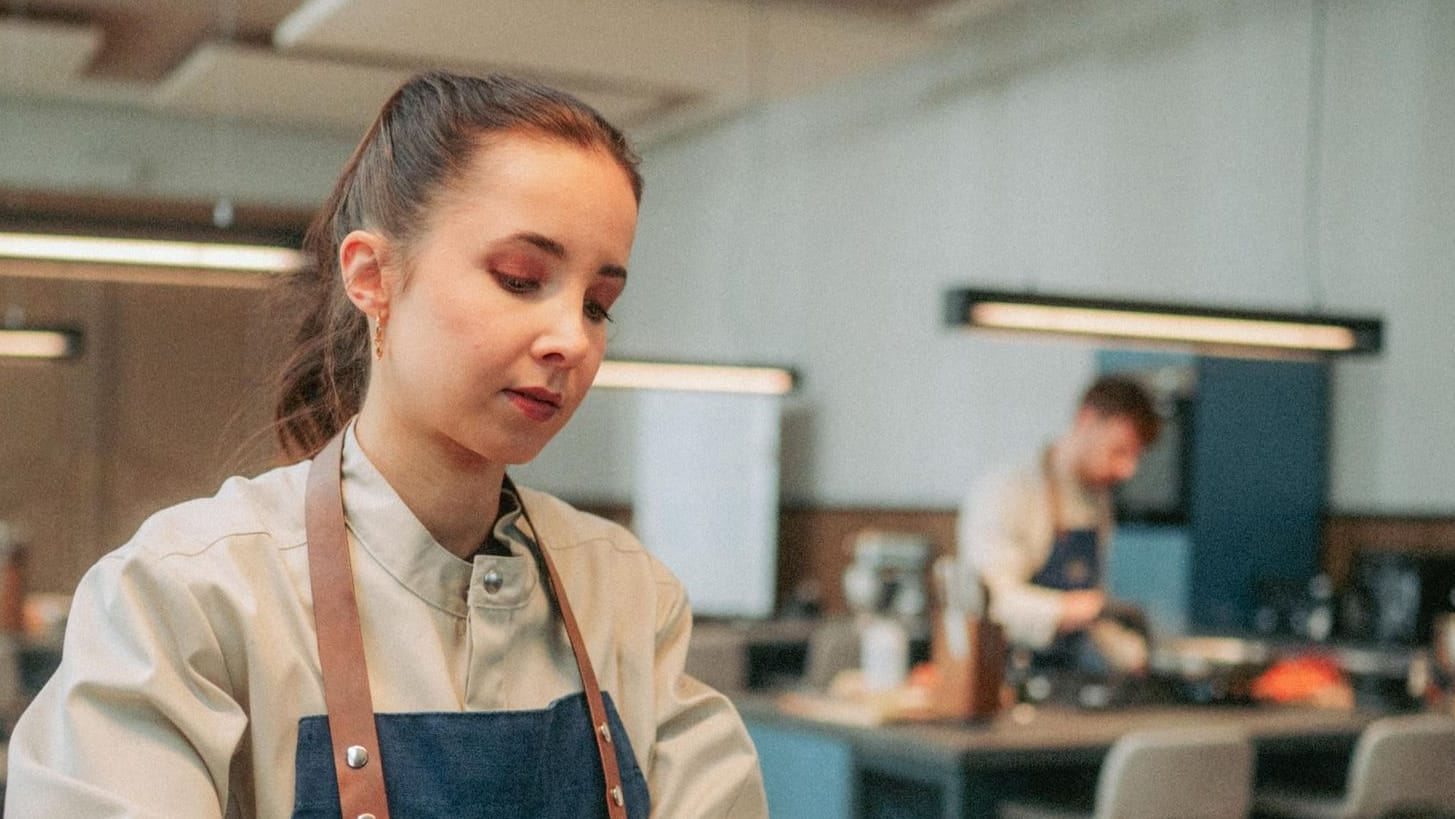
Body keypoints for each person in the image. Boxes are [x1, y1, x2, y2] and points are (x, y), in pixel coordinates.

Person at [5, 71, 767, 818]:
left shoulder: (630, 597)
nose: (572, 338)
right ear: (372, 277)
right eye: (519, 278)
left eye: (599, 304)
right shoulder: (186, 599)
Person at [957, 374, 1162, 680]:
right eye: (1119, 451)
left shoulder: (1098, 501)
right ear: (1087, 420)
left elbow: (1094, 608)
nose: (1127, 470)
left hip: (1066, 680)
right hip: (1004, 679)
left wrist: (1132, 658)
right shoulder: (1008, 490)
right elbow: (990, 604)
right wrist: (1077, 609)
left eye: (1135, 457)